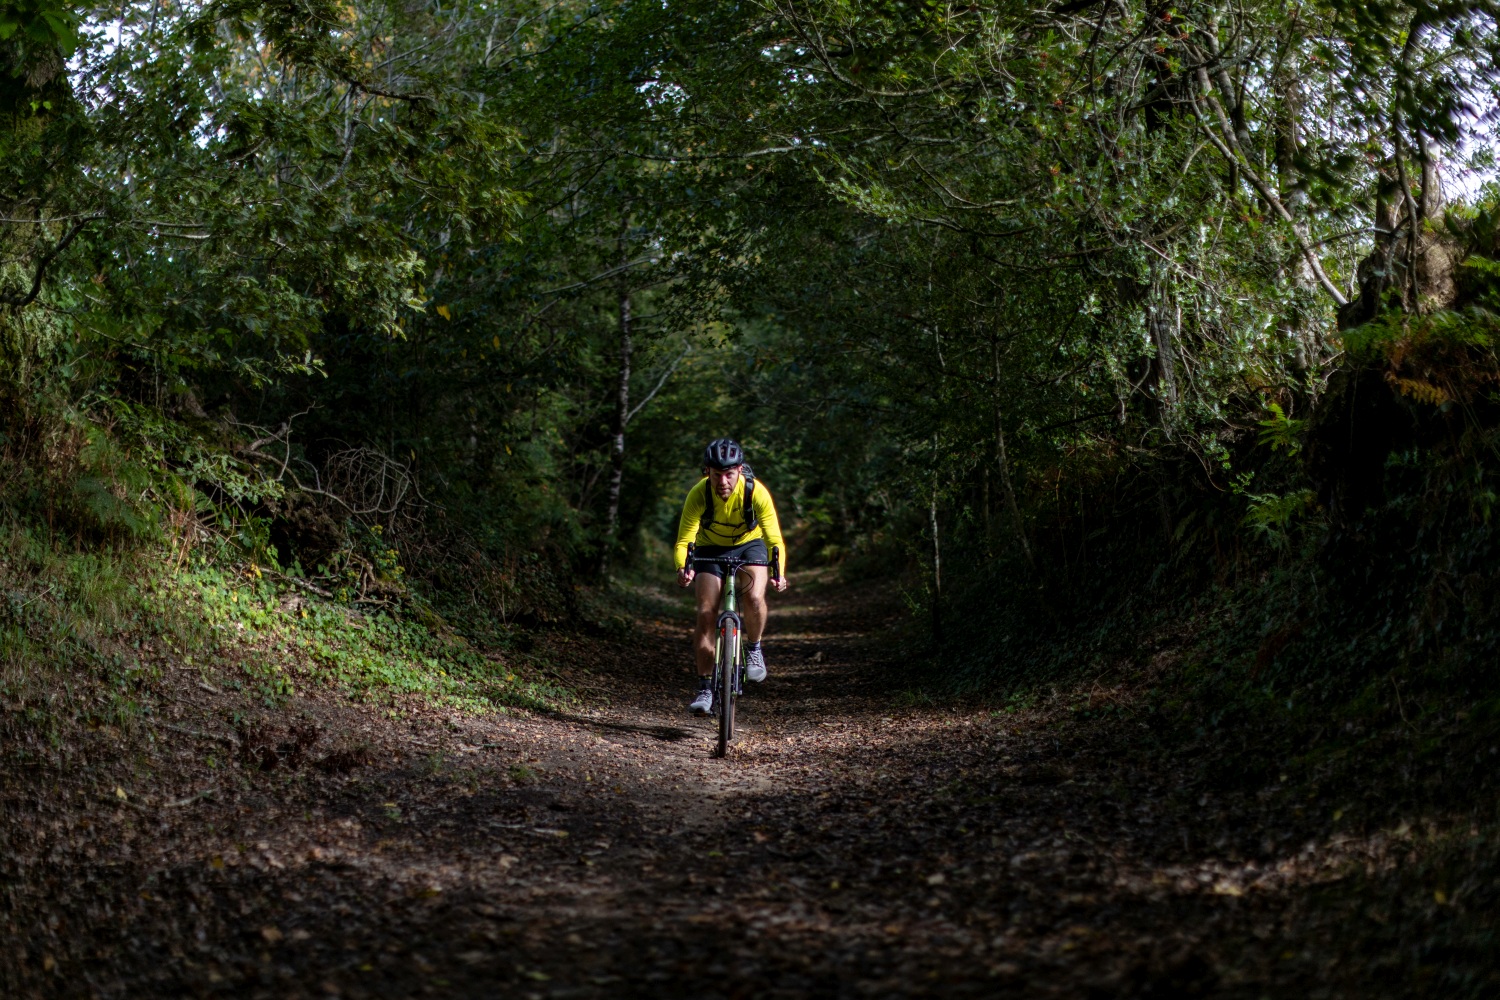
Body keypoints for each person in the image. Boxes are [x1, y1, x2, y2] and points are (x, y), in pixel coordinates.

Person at [674, 438, 789, 715]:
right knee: (705, 612)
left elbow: (775, 540)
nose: (723, 481)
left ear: (739, 470)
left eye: (729, 474)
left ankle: (754, 648)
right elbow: (684, 540)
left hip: (749, 545)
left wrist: (778, 572)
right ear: (707, 473)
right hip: (710, 547)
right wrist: (683, 567)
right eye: (716, 475)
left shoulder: (755, 492)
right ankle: (704, 688)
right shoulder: (699, 494)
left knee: (753, 596)